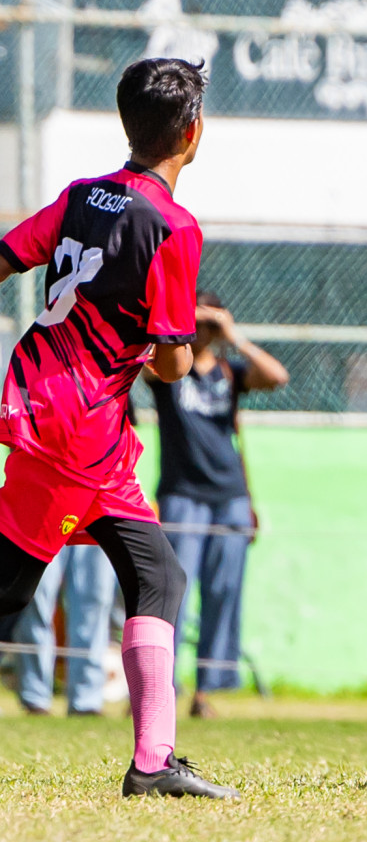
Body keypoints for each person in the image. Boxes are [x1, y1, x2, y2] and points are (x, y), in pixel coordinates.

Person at [0, 58, 237, 798]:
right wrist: (186, 343)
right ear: (193, 134)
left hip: (61, 412)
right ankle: (151, 764)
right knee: (10, 588)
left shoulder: (80, 197)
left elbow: (8, 256)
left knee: (155, 575)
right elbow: (171, 366)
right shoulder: (173, 225)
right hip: (78, 430)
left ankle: (154, 763)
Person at [144, 290, 289, 719]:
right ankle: (161, 688)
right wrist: (187, 322)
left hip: (229, 497)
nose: (204, 332)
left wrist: (234, 336)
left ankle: (206, 690)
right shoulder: (168, 369)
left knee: (224, 593)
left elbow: (277, 376)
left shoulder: (229, 370)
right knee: (175, 593)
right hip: (182, 495)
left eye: (210, 325)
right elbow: (146, 357)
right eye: (198, 323)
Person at [14, 546, 115, 716]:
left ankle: (86, 701)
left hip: (93, 523)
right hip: (43, 521)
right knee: (35, 594)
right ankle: (34, 698)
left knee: (96, 598)